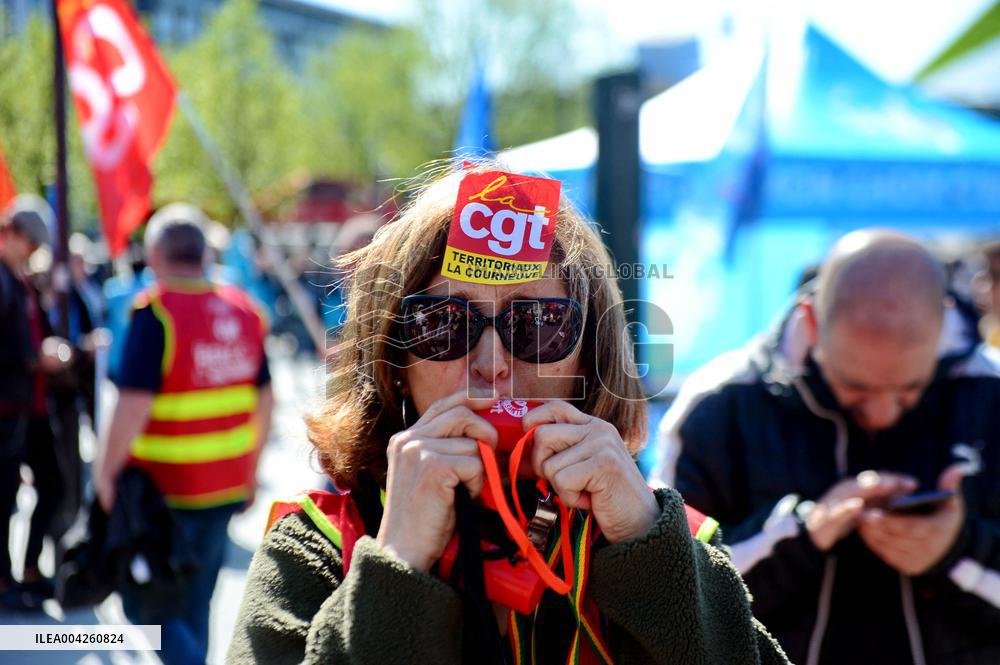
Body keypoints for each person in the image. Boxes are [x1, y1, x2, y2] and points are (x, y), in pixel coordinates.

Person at [228, 164, 787, 664]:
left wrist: (646, 546)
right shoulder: (320, 542)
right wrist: (396, 563)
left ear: (589, 358)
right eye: (441, 324)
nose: (493, 364)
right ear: (393, 360)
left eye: (540, 324)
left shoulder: (669, 539)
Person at [650, 230, 1000, 664]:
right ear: (811, 321)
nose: (883, 413)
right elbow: (667, 594)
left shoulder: (991, 394)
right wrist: (802, 532)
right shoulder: (720, 403)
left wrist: (957, 551)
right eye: (855, 387)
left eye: (910, 388)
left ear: (941, 323)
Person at [94, 202, 273, 665]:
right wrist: (251, 473)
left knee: (144, 605)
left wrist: (105, 473)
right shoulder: (245, 311)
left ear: (155, 254)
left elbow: (133, 403)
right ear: (204, 253)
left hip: (164, 490)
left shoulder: (156, 312)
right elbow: (266, 400)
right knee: (198, 602)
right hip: (225, 484)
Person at [0, 195, 72, 610]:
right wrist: (34, 358)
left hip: (32, 405)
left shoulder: (22, 280)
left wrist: (57, 350)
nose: (33, 252)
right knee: (5, 496)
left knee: (53, 484)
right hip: (9, 407)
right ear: (11, 232)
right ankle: (6, 578)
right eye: (30, 242)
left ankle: (28, 569)